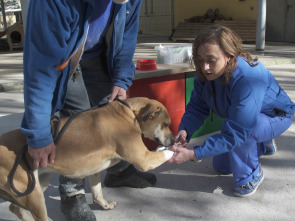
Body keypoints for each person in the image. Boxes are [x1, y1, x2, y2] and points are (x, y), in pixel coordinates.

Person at [21, 0, 156, 220]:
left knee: (114, 114)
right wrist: (37, 135)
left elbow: (127, 36)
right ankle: (72, 194)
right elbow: (39, 69)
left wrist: (121, 80)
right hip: (64, 58)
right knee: (79, 121)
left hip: (97, 55)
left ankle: (117, 171)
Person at [168, 24, 295, 197]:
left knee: (240, 133)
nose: (204, 67)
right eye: (200, 59)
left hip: (276, 115)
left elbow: (238, 132)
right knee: (221, 166)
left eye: (211, 60)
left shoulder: (247, 78)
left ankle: (251, 176)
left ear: (228, 55)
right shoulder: (205, 74)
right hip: (249, 119)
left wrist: (194, 153)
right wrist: (185, 130)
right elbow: (198, 107)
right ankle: (264, 143)